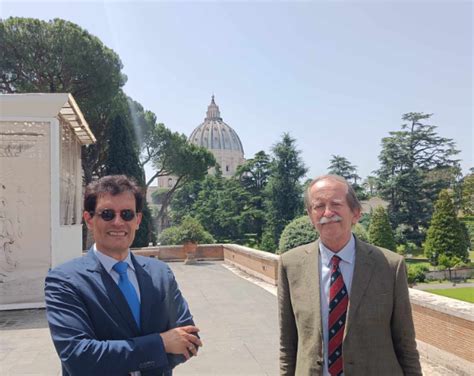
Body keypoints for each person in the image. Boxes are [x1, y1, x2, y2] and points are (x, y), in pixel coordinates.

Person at [45, 175, 202, 376]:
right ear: (89, 219)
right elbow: (79, 358)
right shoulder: (64, 281)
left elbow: (190, 341)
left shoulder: (160, 273)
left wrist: (120, 358)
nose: (118, 222)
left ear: (137, 220)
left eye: (127, 214)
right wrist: (162, 343)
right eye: (107, 214)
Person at [278, 175, 421, 376]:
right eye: (318, 206)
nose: (327, 213)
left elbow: (405, 344)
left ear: (356, 213)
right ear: (311, 216)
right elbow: (288, 344)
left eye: (336, 204)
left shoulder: (389, 266)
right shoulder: (290, 265)